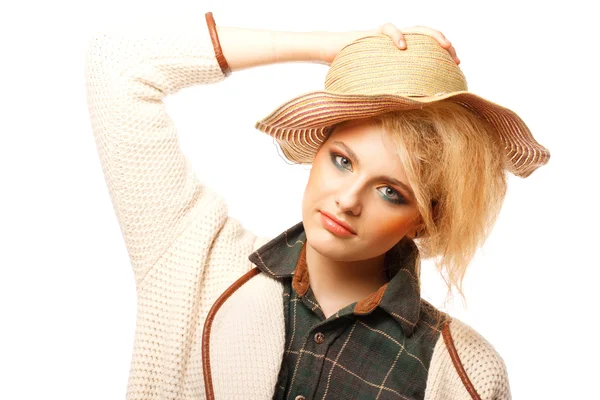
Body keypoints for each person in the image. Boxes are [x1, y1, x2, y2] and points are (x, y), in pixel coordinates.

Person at [84, 11, 549, 400]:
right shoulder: (197, 261)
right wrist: (334, 47)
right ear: (318, 150)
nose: (348, 200)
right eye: (342, 161)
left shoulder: (466, 373)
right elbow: (119, 65)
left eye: (391, 192)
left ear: (424, 221)